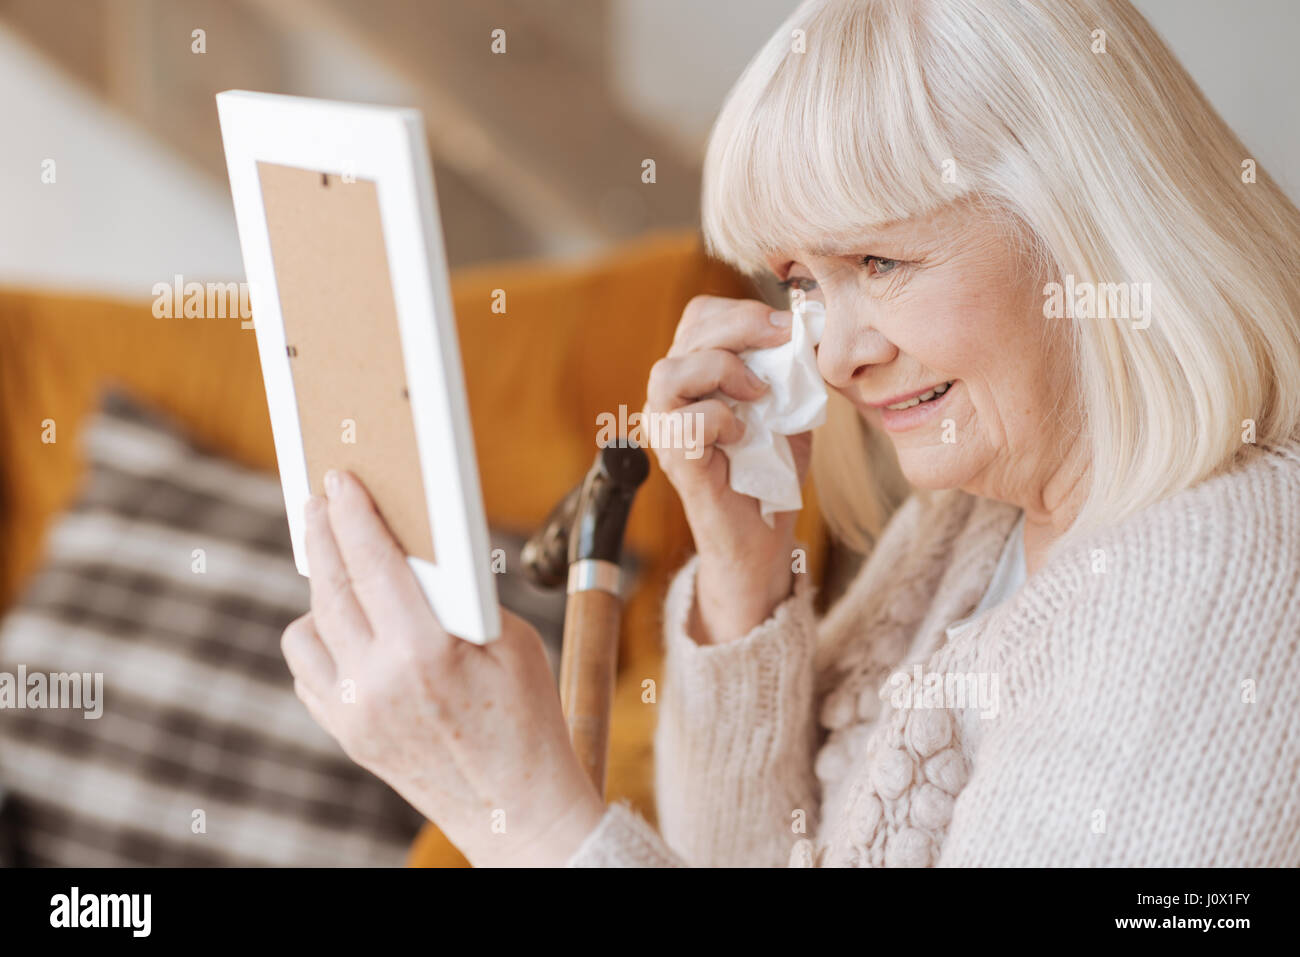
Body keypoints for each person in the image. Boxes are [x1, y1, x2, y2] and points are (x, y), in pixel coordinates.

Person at [281, 0, 1300, 866]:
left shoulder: (1216, 578)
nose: (833, 352)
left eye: (881, 263)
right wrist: (742, 569)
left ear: (1088, 224)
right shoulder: (976, 520)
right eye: (803, 282)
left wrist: (526, 814)